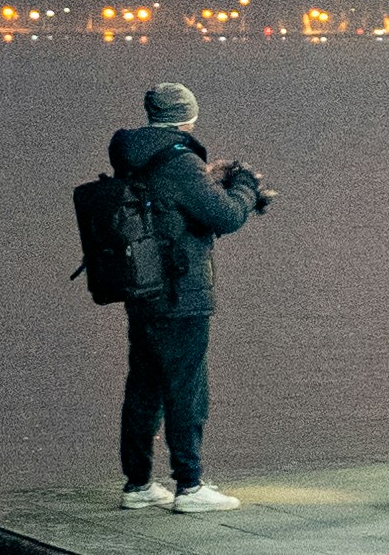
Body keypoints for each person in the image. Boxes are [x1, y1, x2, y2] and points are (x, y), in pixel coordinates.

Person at [105, 81, 269, 512]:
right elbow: (226, 216)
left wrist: (207, 177)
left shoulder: (132, 156)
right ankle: (190, 487)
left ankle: (138, 484)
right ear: (188, 117)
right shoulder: (179, 162)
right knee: (187, 388)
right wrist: (245, 186)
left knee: (144, 386)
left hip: (143, 288)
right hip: (181, 292)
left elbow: (168, 204)